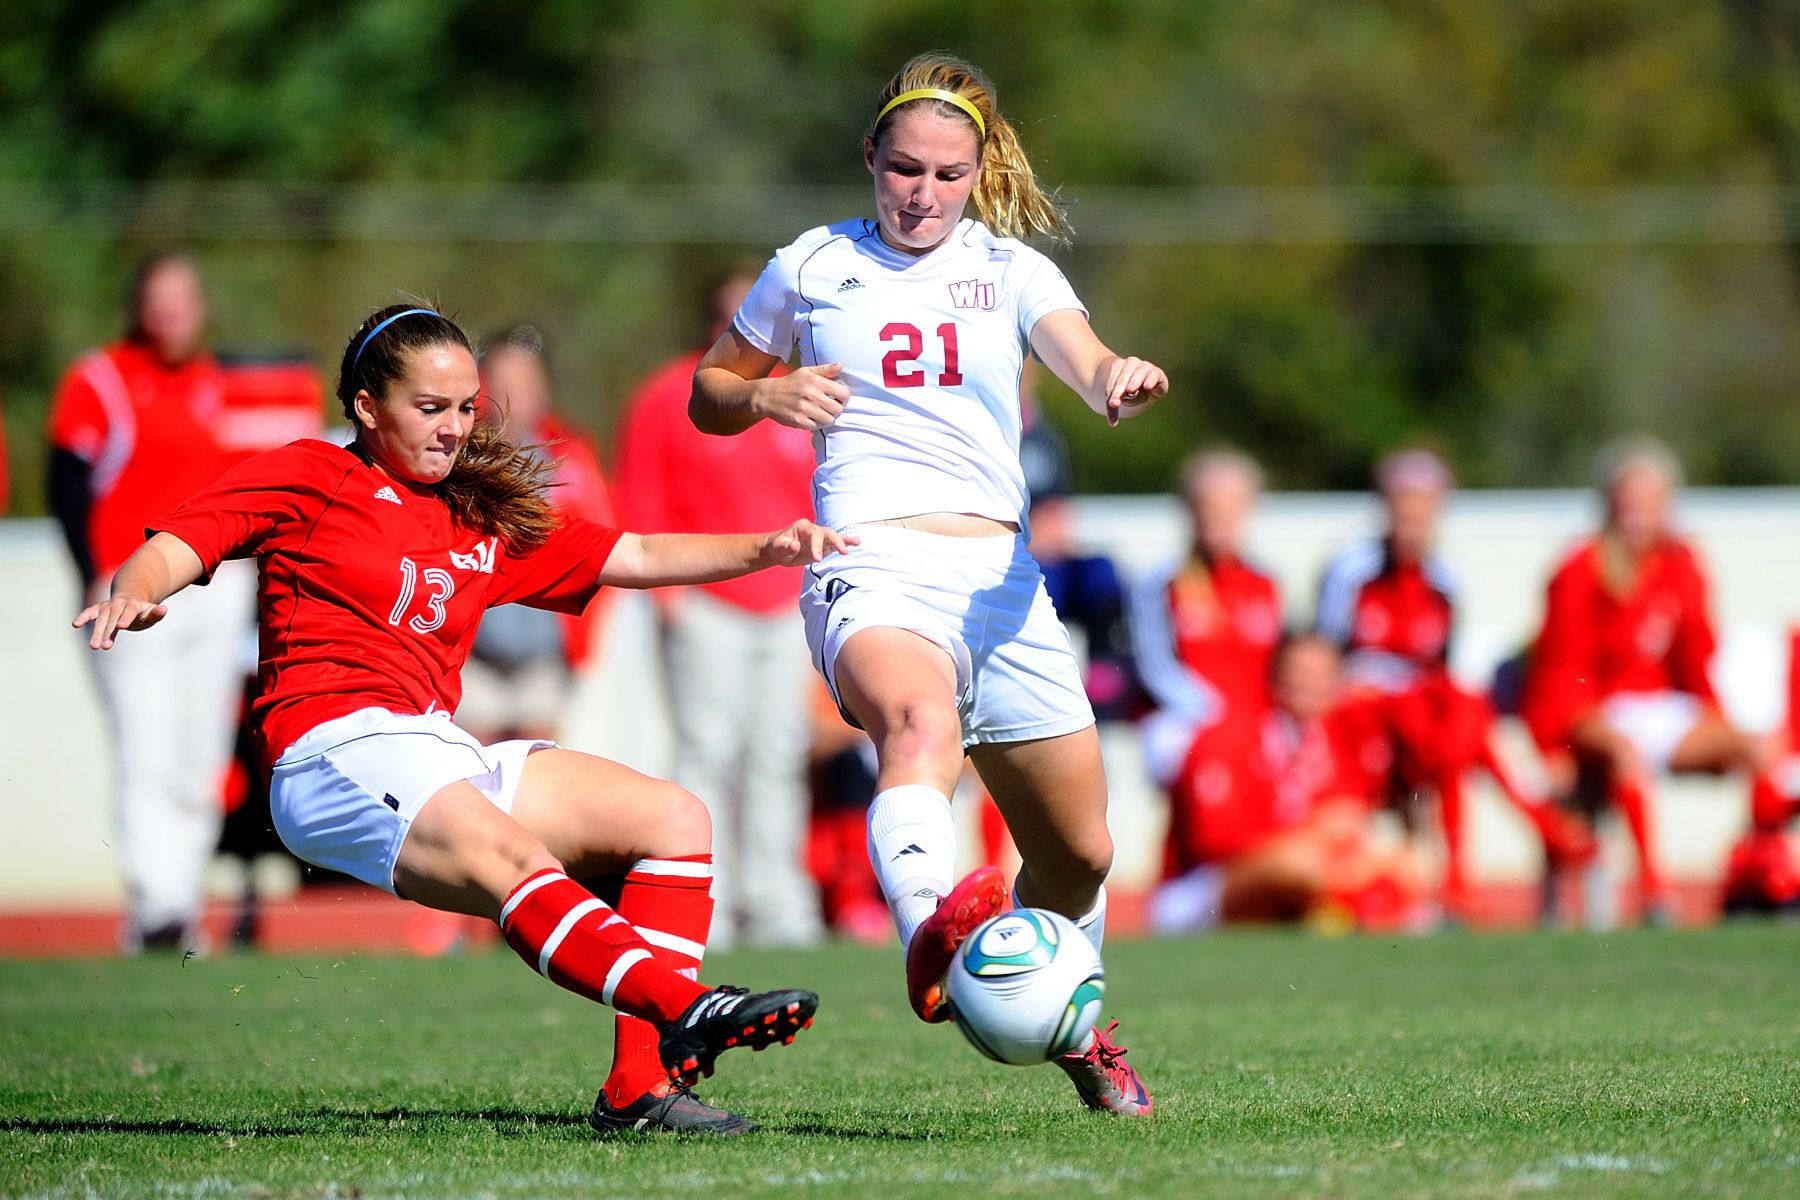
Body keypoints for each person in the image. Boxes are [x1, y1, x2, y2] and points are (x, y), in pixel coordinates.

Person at [74, 303, 843, 1135]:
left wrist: (767, 548)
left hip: (431, 747)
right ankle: (686, 1008)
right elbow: (184, 541)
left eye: (467, 407)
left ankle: (640, 1088)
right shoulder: (309, 473)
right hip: (330, 751)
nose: (454, 427)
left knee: (673, 818)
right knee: (515, 859)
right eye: (430, 407)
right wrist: (133, 590)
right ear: (367, 407)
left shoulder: (476, 512)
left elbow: (638, 552)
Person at [691, 53, 1167, 1116]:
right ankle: (932, 939)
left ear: (979, 172)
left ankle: (1073, 1028)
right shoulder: (812, 264)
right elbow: (709, 389)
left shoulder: (1011, 270)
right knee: (918, 726)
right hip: (869, 563)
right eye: (904, 168)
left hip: (1000, 581)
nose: (923, 193)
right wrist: (764, 399)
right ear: (870, 155)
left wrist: (1116, 380)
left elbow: (1085, 358)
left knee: (1081, 855)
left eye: (949, 175)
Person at [47, 252, 255, 951]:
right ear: (138, 304)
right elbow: (67, 480)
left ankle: (180, 903)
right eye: (158, 297)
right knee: (147, 749)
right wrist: (89, 574)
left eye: (183, 297)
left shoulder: (219, 382)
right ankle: (156, 904)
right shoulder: (100, 379)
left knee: (200, 757)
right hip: (129, 587)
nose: (171, 312)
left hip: (214, 589)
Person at [615, 273, 821, 949]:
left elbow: (822, 493)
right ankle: (708, 902)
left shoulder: (799, 391)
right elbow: (640, 496)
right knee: (708, 752)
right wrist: (667, 597)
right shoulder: (670, 394)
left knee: (778, 755)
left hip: (786, 605)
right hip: (706, 604)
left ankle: (778, 904)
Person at [1316, 448, 1591, 918]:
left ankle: (1466, 873)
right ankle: (1537, 831)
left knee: (1463, 714)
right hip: (1365, 710)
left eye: (1422, 512)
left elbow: (1440, 664)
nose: (1411, 524)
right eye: (1402, 510)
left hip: (1421, 713)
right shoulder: (1350, 569)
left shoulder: (1445, 579)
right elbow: (1327, 656)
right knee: (1456, 727)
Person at [1522, 435, 1784, 925]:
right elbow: (1563, 669)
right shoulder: (1580, 570)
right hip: (1598, 712)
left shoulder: (1681, 564)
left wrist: (1714, 719)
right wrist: (1559, 743)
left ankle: (1762, 875)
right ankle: (1654, 891)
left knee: (1761, 748)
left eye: (1649, 504)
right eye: (1628, 504)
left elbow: (1696, 657)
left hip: (1662, 710)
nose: (1637, 516)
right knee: (1627, 756)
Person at [1151, 634, 1427, 932]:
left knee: (1401, 861)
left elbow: (1353, 815)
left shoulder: (1340, 737)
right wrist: (1312, 831)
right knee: (1301, 863)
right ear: (1276, 677)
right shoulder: (1228, 734)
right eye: (1300, 673)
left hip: (1307, 872)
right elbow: (1213, 839)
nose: (1310, 684)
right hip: (1202, 890)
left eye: (1323, 674)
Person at [460, 325, 616, 743]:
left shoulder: (570, 457)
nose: (511, 396)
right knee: (473, 756)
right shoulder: (457, 459)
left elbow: (605, 543)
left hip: (546, 651)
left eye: (523, 383)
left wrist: (584, 636)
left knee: (538, 754)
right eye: (500, 382)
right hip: (471, 650)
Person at [1130, 448, 1282, 789]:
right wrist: (1218, 718)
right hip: (1192, 721)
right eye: (1209, 506)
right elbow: (1155, 667)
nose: (1219, 518)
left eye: (1231, 507)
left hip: (1256, 722)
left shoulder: (1264, 583)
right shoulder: (1162, 582)